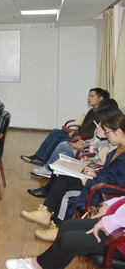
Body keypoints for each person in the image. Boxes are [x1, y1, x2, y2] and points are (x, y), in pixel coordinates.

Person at [20, 112, 125, 242]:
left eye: (108, 133)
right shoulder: (119, 149)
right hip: (100, 184)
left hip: (103, 193)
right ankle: (45, 212)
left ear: (119, 132)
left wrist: (89, 183)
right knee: (64, 178)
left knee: (68, 193)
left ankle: (58, 228)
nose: (107, 136)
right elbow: (110, 174)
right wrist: (95, 174)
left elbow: (119, 188)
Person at [6, 195, 125, 269]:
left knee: (68, 241)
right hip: (118, 224)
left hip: (120, 237)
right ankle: (46, 264)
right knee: (67, 226)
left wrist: (109, 223)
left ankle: (36, 266)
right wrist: (109, 204)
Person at [30, 99, 120, 179]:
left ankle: (47, 168)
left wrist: (83, 147)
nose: (98, 126)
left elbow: (103, 159)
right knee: (62, 153)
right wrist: (84, 143)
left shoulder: (111, 138)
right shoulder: (101, 127)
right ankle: (46, 171)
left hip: (89, 157)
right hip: (88, 153)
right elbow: (93, 141)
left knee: (63, 145)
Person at [21, 88, 109, 166]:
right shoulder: (92, 111)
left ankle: (45, 162)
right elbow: (84, 128)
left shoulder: (100, 115)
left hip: (82, 139)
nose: (89, 98)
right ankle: (39, 157)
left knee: (60, 140)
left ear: (101, 98)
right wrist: (74, 132)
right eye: (88, 96)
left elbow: (91, 134)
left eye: (92, 96)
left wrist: (74, 135)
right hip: (79, 134)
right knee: (56, 132)